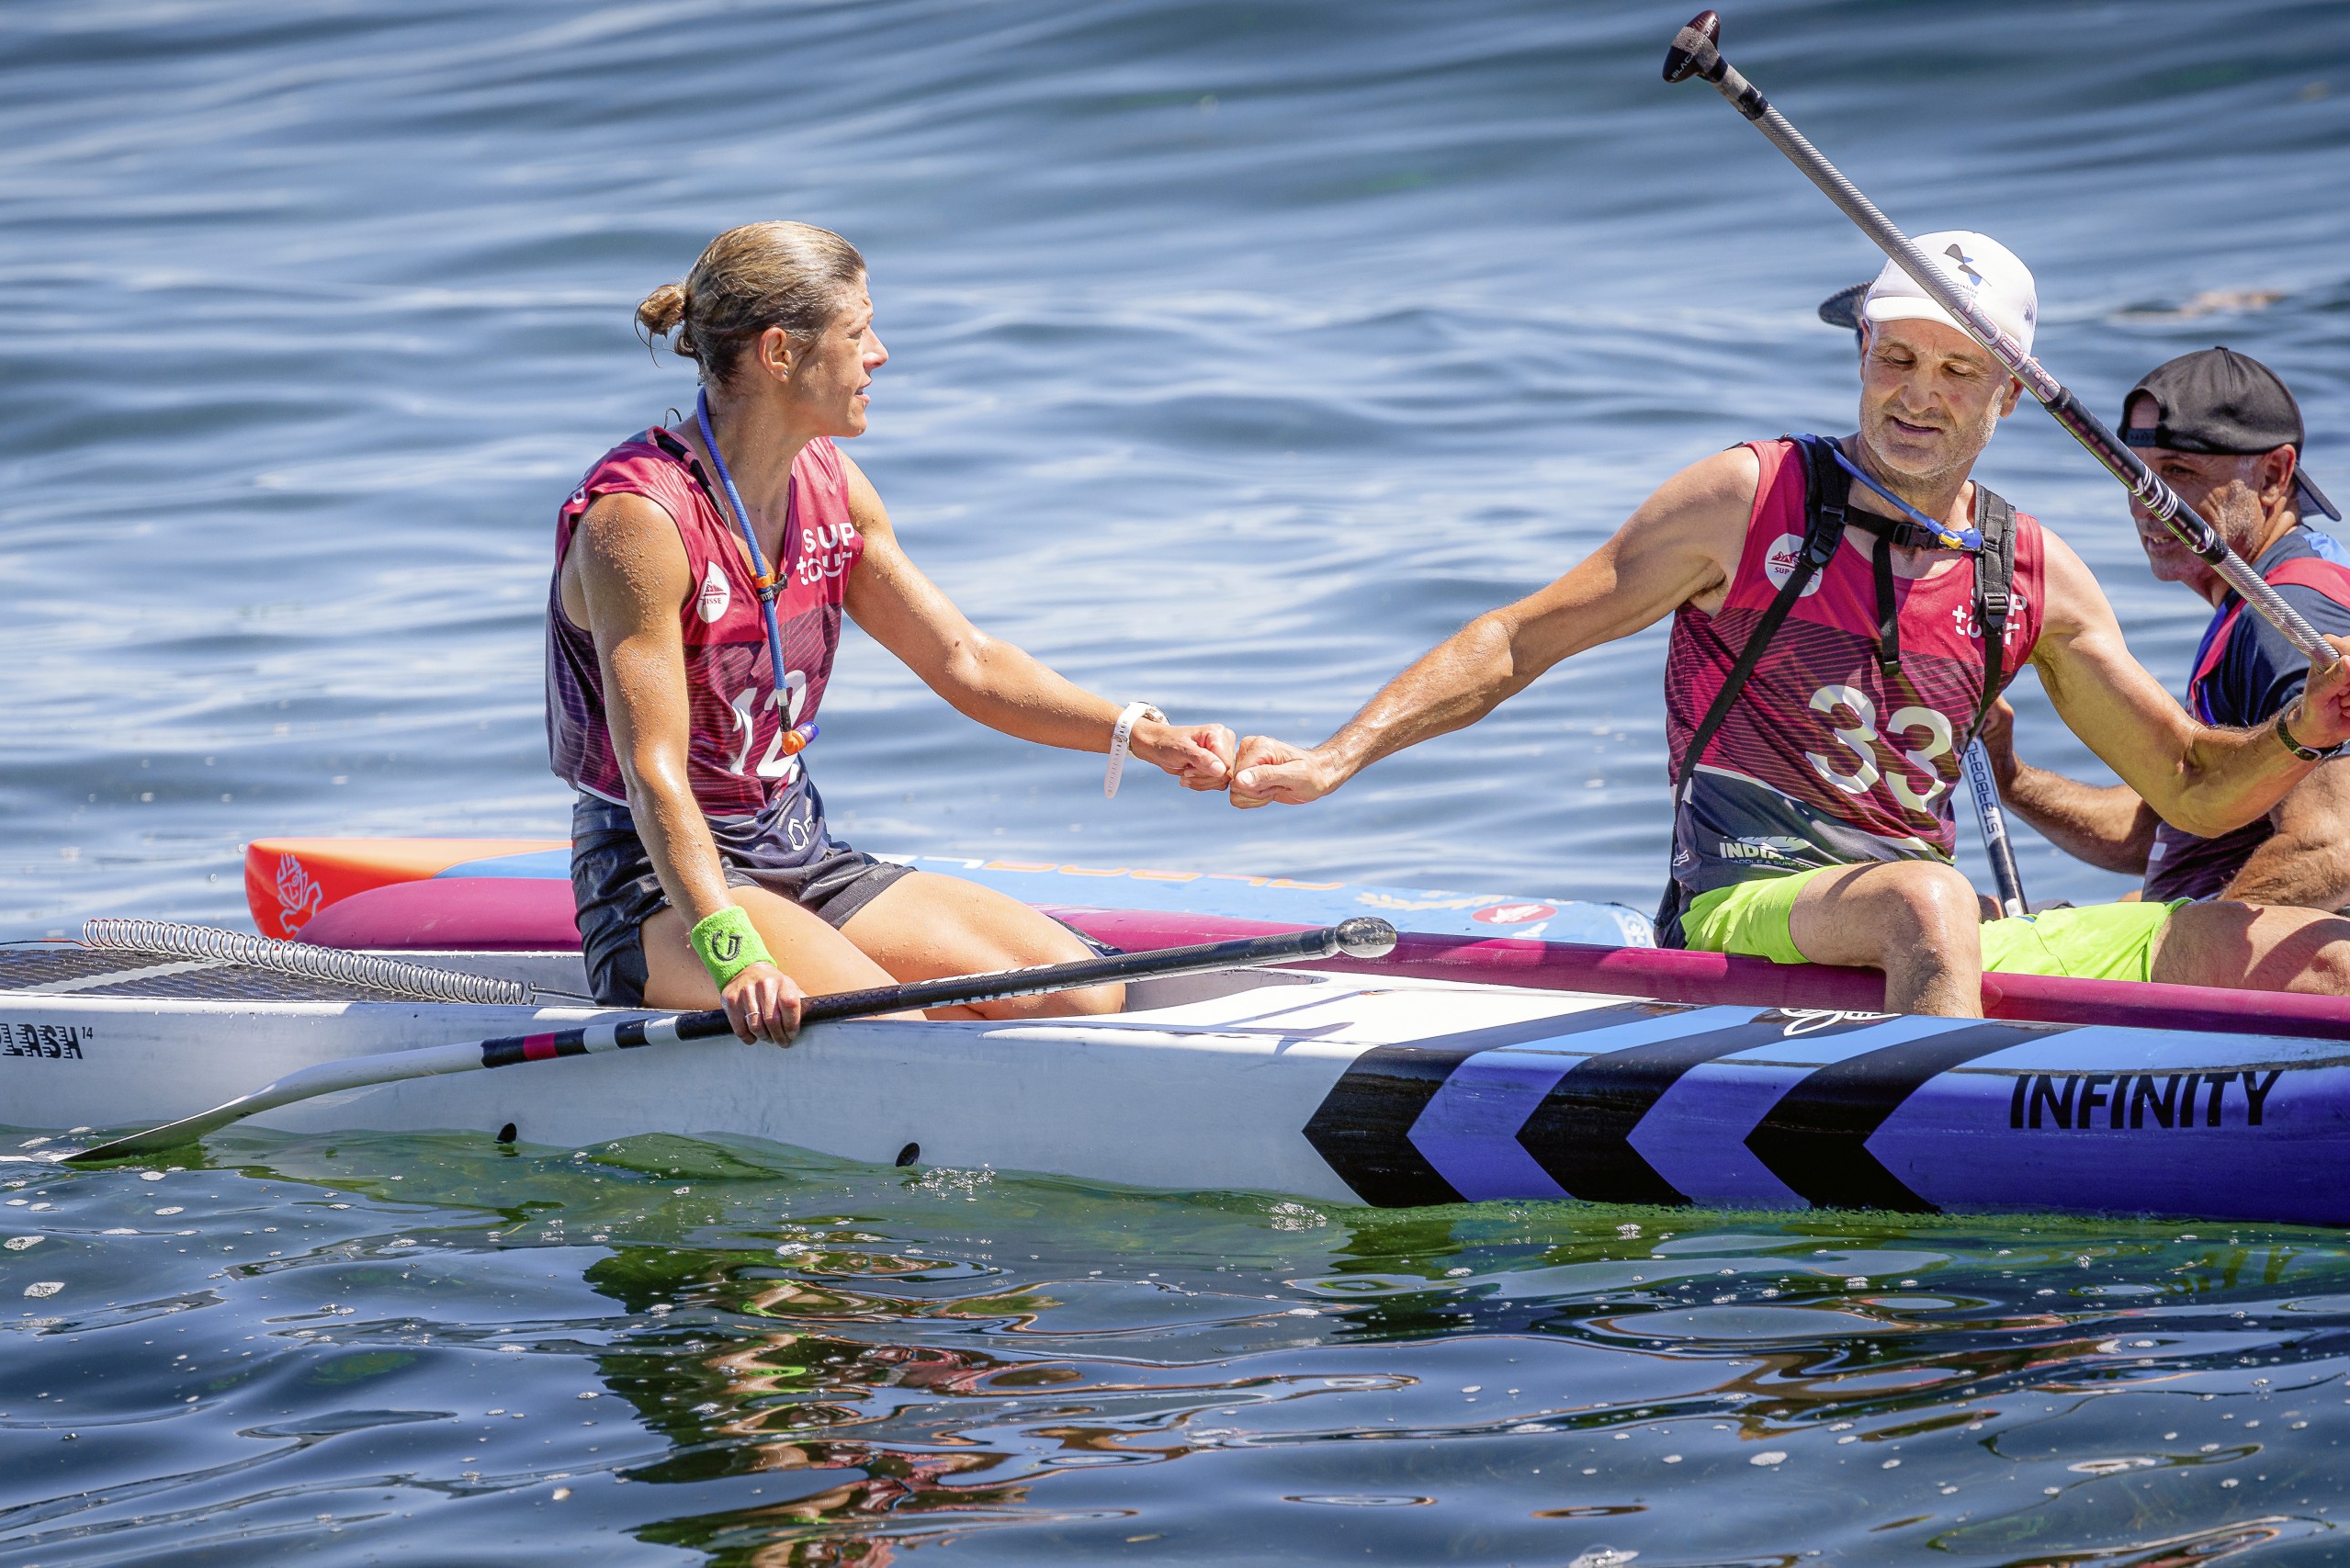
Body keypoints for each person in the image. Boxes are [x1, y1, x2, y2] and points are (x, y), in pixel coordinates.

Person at [1223, 231, 2350, 1017]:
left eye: (1958, 371)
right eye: (1895, 357)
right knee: (1929, 900)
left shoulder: (2032, 572)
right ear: (1859, 355)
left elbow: (2192, 787)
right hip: (1747, 893)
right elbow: (1523, 640)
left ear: (2009, 396)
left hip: (1924, 915)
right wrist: (1336, 757)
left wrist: (2307, 725)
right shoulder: (1748, 498)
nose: (1918, 394)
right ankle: (1927, 1203)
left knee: (2295, 956)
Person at [549, 220, 1237, 1040]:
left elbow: (967, 662)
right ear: (780, 353)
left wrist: (1139, 734)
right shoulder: (640, 519)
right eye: (857, 329)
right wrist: (735, 955)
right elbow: (652, 769)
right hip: (659, 885)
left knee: (1080, 995)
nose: (879, 353)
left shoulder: (833, 488)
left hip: (799, 852)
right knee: (900, 1028)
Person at [1972, 349, 2350, 910]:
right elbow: (2178, 821)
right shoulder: (2250, 602)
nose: (2147, 506)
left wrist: (2168, 955)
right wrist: (2010, 778)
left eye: (2177, 474)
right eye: (2136, 474)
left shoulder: (2290, 617)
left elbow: (2329, 849)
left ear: (2273, 475)